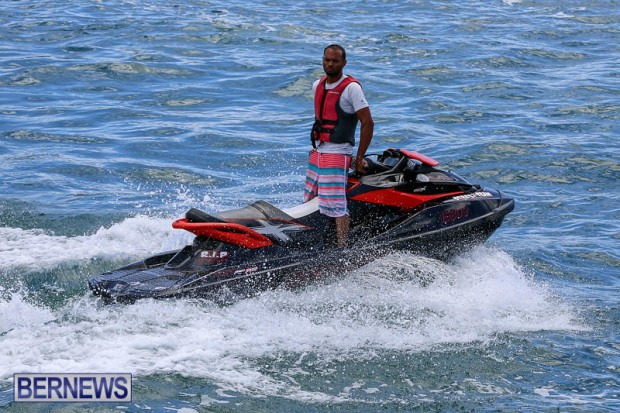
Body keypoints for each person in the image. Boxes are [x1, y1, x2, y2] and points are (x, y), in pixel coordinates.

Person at [304, 44, 374, 248]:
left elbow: (368, 123)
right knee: (310, 197)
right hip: (318, 151)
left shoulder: (352, 88)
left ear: (344, 63)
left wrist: (359, 158)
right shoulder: (317, 85)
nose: (330, 64)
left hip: (337, 152)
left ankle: (343, 247)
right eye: (327, 60)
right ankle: (317, 239)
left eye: (335, 61)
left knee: (336, 204)